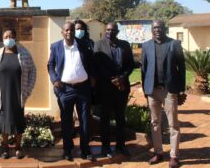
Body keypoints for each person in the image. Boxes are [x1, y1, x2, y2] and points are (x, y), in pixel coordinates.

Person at [47, 21, 96, 162]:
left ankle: (85, 150)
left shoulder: (84, 44)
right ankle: (68, 150)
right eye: (66, 30)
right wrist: (55, 79)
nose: (69, 32)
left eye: (72, 30)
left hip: (83, 89)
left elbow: (91, 62)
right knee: (66, 122)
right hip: (65, 90)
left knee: (85, 121)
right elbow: (50, 64)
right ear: (62, 32)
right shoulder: (56, 46)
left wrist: (93, 77)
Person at [0, 28, 36, 159]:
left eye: (11, 36)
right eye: (6, 37)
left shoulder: (24, 53)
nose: (8, 39)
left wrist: (28, 90)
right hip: (2, 95)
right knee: (3, 121)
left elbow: (33, 71)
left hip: (18, 94)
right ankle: (5, 147)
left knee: (18, 120)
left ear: (15, 38)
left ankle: (18, 146)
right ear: (3, 39)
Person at [141, 20, 186, 168]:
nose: (157, 30)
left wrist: (181, 90)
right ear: (152, 30)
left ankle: (174, 155)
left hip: (169, 91)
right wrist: (145, 89)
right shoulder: (146, 45)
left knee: (173, 124)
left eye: (160, 27)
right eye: (155, 28)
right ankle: (158, 152)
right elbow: (144, 69)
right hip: (152, 91)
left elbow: (182, 68)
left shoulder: (174, 44)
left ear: (164, 29)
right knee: (155, 123)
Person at [93, 22, 134, 158]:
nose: (110, 32)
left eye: (113, 30)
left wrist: (122, 77)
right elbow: (97, 65)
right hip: (106, 88)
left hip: (122, 87)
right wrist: (112, 79)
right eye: (108, 30)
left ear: (118, 31)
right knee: (105, 118)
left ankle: (120, 145)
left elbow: (130, 64)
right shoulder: (98, 44)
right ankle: (105, 147)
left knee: (120, 118)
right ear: (105, 31)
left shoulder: (125, 45)